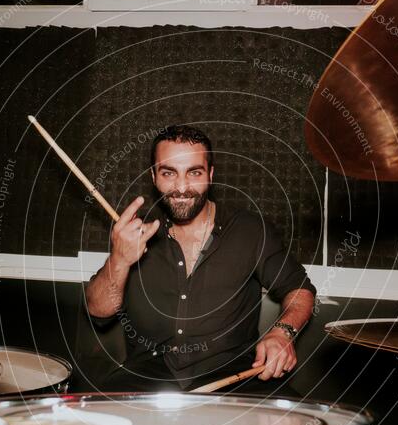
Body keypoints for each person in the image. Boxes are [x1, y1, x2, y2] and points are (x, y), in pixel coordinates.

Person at [84, 125, 316, 395]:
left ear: (211, 175)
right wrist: (120, 259)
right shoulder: (133, 232)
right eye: (169, 173)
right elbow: (98, 311)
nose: (182, 187)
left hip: (237, 374)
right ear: (154, 177)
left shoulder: (250, 230)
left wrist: (282, 333)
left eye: (194, 172)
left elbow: (299, 289)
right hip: (148, 375)